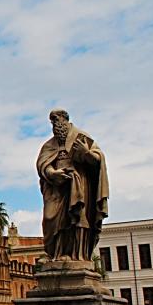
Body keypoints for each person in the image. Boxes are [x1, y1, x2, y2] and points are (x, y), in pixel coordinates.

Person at [36, 109, 108, 261]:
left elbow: (98, 160)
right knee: (51, 219)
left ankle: (76, 256)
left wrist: (86, 153)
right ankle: (58, 253)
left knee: (78, 219)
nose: (54, 123)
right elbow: (42, 164)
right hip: (57, 189)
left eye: (56, 119)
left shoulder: (81, 137)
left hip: (79, 185)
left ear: (65, 119)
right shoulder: (49, 145)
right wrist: (52, 173)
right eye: (52, 121)